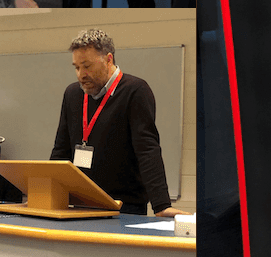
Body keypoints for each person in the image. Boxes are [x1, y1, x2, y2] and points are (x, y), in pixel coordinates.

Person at [50, 29, 188, 217]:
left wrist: (161, 205)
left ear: (108, 59)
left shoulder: (135, 91)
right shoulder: (73, 94)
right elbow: (61, 149)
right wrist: (49, 194)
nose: (81, 75)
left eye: (87, 66)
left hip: (124, 206)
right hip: (81, 204)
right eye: (76, 67)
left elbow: (147, 150)